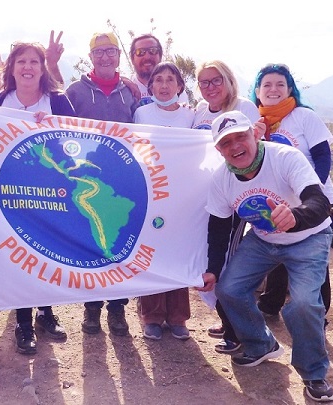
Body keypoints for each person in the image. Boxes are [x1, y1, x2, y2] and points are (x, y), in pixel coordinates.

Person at [198, 111, 333, 402]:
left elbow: (319, 202)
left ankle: (313, 373)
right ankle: (261, 344)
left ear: (255, 135)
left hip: (308, 237)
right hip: (263, 239)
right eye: (226, 143)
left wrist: (295, 216)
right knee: (229, 288)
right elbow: (219, 228)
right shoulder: (222, 180)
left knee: (303, 304)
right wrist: (212, 269)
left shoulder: (285, 158)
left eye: (240, 137)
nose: (235, 147)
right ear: (218, 150)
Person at [0, 41, 76, 355]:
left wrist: (51, 132)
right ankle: (23, 322)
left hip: (53, 194)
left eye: (34, 62)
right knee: (20, 258)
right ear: (12, 68)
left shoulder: (58, 100)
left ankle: (46, 312)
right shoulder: (1, 101)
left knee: (47, 254)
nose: (27, 67)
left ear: (43, 68)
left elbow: (75, 144)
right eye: (21, 61)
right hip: (13, 195)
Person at [65, 32, 138, 336]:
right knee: (91, 241)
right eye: (99, 52)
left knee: (119, 241)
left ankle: (118, 309)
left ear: (119, 56)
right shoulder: (75, 91)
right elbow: (61, 130)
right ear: (91, 57)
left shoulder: (131, 92)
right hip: (87, 182)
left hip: (123, 180)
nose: (106, 57)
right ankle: (92, 308)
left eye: (111, 51)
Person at [250, 63, 333, 320]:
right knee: (280, 249)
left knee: (313, 258)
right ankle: (270, 304)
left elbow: (322, 157)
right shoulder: (255, 122)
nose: (273, 89)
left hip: (312, 200)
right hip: (277, 201)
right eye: (267, 84)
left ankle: (319, 314)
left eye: (280, 84)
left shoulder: (303, 116)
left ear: (290, 89)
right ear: (257, 90)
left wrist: (312, 194)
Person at [191, 60, 260, 354]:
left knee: (226, 263)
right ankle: (227, 317)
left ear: (229, 80)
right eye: (204, 82)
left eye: (215, 80)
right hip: (205, 196)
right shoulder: (199, 113)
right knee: (209, 256)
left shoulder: (243, 108)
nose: (210, 87)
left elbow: (256, 148)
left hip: (235, 196)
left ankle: (237, 331)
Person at [133, 62, 194, 340]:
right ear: (151, 85)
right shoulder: (141, 113)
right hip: (150, 192)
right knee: (152, 252)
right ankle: (152, 317)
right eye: (159, 79)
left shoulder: (190, 116)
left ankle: (178, 317)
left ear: (180, 86)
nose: (165, 84)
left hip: (182, 193)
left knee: (178, 252)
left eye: (171, 79)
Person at [129, 34, 188, 106]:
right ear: (132, 58)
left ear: (160, 56)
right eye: (140, 52)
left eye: (153, 50)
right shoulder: (126, 89)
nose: (147, 56)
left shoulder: (175, 90)